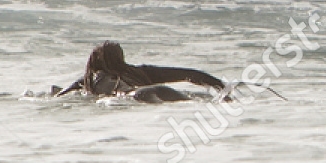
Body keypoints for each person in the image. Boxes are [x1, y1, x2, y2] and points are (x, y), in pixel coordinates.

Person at [53, 41, 228, 103]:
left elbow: (60, 97)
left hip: (137, 96)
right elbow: (189, 74)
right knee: (194, 102)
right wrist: (220, 86)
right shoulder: (143, 72)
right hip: (156, 91)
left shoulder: (89, 81)